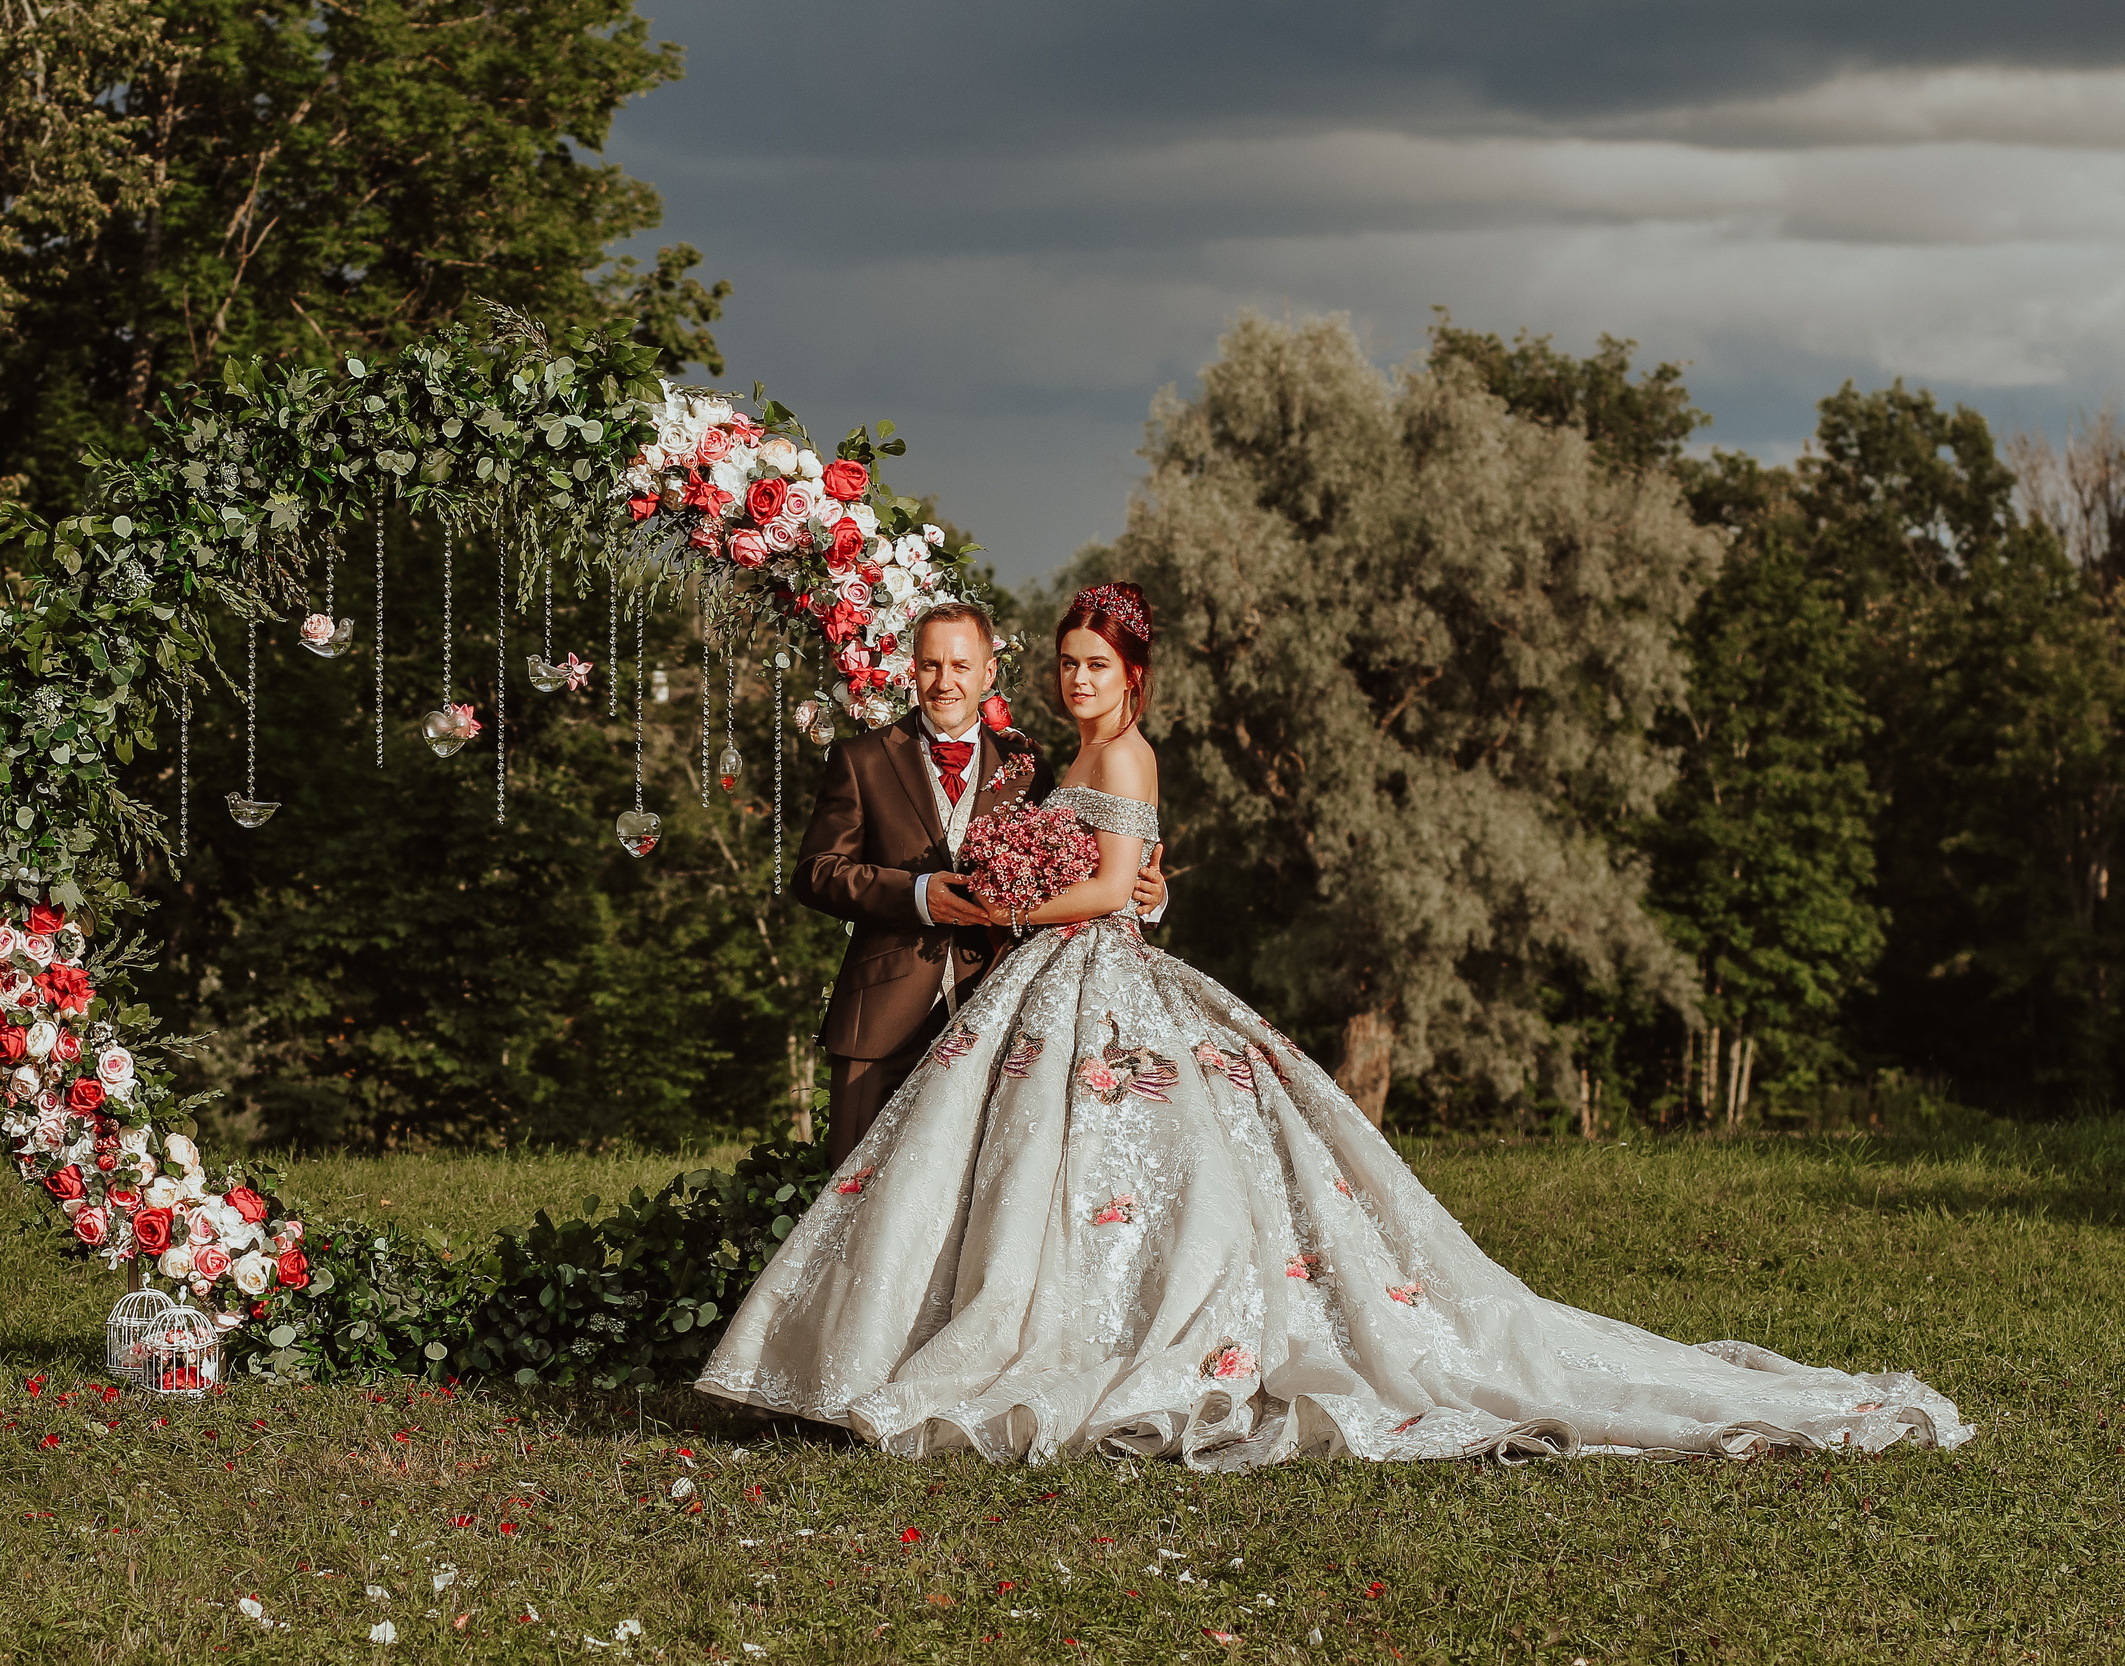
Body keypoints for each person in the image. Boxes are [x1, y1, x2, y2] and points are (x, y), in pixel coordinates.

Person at [699, 583, 1973, 1467]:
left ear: (1126, 676)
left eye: (1094, 665)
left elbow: (1109, 872)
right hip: (1015, 982)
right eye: (1065, 664)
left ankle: (1093, 1342)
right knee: (989, 1175)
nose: (1073, 679)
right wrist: (1107, 884)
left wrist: (1067, 894)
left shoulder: (1102, 753)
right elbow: (1113, 863)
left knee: (1122, 1167)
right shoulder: (1032, 760)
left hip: (1070, 971)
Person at [791, 600, 1165, 1169]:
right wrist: (918, 894)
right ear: (911, 669)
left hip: (994, 1011)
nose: (945, 682)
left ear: (988, 673)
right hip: (879, 1021)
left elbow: (1093, 866)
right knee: (853, 1202)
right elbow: (816, 871)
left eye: (961, 666)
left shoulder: (1028, 767)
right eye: (930, 666)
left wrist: (1149, 893)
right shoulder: (860, 759)